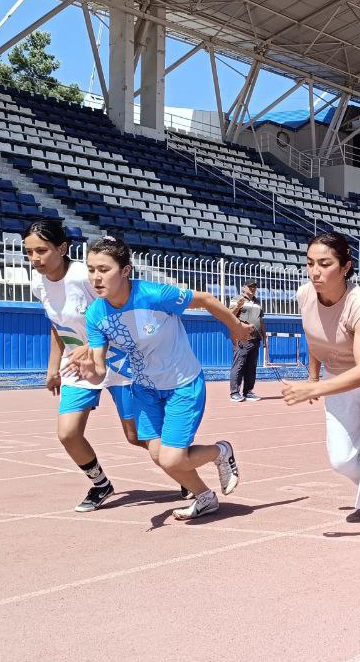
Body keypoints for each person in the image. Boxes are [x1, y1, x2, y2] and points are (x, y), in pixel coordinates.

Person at [66, 236, 250, 520]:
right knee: (157, 455)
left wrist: (235, 326)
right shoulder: (95, 314)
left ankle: (220, 452)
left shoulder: (155, 295)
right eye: (91, 269)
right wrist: (91, 371)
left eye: (104, 269)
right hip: (145, 389)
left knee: (171, 458)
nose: (95, 277)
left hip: (182, 384)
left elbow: (206, 299)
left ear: (125, 271)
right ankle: (205, 497)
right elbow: (100, 369)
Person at [24, 219, 191, 512]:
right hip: (78, 364)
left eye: (42, 250)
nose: (35, 258)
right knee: (68, 433)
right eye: (29, 252)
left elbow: (115, 311)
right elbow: (57, 324)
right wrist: (53, 367)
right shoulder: (38, 283)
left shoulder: (85, 276)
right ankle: (101, 485)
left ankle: (183, 470)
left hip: (117, 359)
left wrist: (95, 346)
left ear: (62, 248)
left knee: (136, 436)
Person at [282, 233, 360, 536]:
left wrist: (313, 389)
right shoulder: (304, 295)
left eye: (325, 264)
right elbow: (316, 338)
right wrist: (313, 377)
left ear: (346, 267)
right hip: (336, 378)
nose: (315, 272)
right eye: (310, 263)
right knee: (342, 460)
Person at [229, 279, 266, 402]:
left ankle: (248, 392)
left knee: (251, 367)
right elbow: (229, 315)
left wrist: (265, 337)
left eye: (254, 286)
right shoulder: (237, 299)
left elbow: (261, 320)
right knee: (239, 365)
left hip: (255, 338)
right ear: (244, 287)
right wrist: (238, 306)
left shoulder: (258, 302)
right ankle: (234, 392)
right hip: (242, 338)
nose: (253, 288)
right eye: (250, 286)